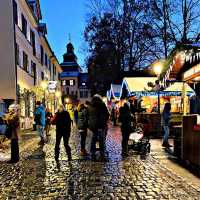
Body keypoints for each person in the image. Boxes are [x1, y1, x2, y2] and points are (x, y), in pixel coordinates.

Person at [88, 95, 109, 161]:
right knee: (101, 140)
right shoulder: (102, 105)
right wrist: (104, 121)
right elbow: (107, 114)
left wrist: (90, 124)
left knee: (93, 140)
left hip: (93, 126)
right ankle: (102, 155)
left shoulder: (90, 106)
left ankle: (92, 154)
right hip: (100, 125)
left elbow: (88, 116)